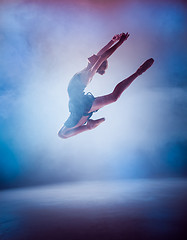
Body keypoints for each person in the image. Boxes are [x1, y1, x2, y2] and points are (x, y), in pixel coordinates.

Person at [58, 32, 154, 139]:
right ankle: (89, 126)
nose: (94, 55)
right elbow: (100, 55)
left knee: (62, 134)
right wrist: (112, 41)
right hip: (78, 105)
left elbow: (103, 57)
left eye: (97, 58)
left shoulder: (88, 75)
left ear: (98, 64)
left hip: (80, 105)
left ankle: (138, 72)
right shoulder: (87, 68)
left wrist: (120, 42)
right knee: (62, 134)